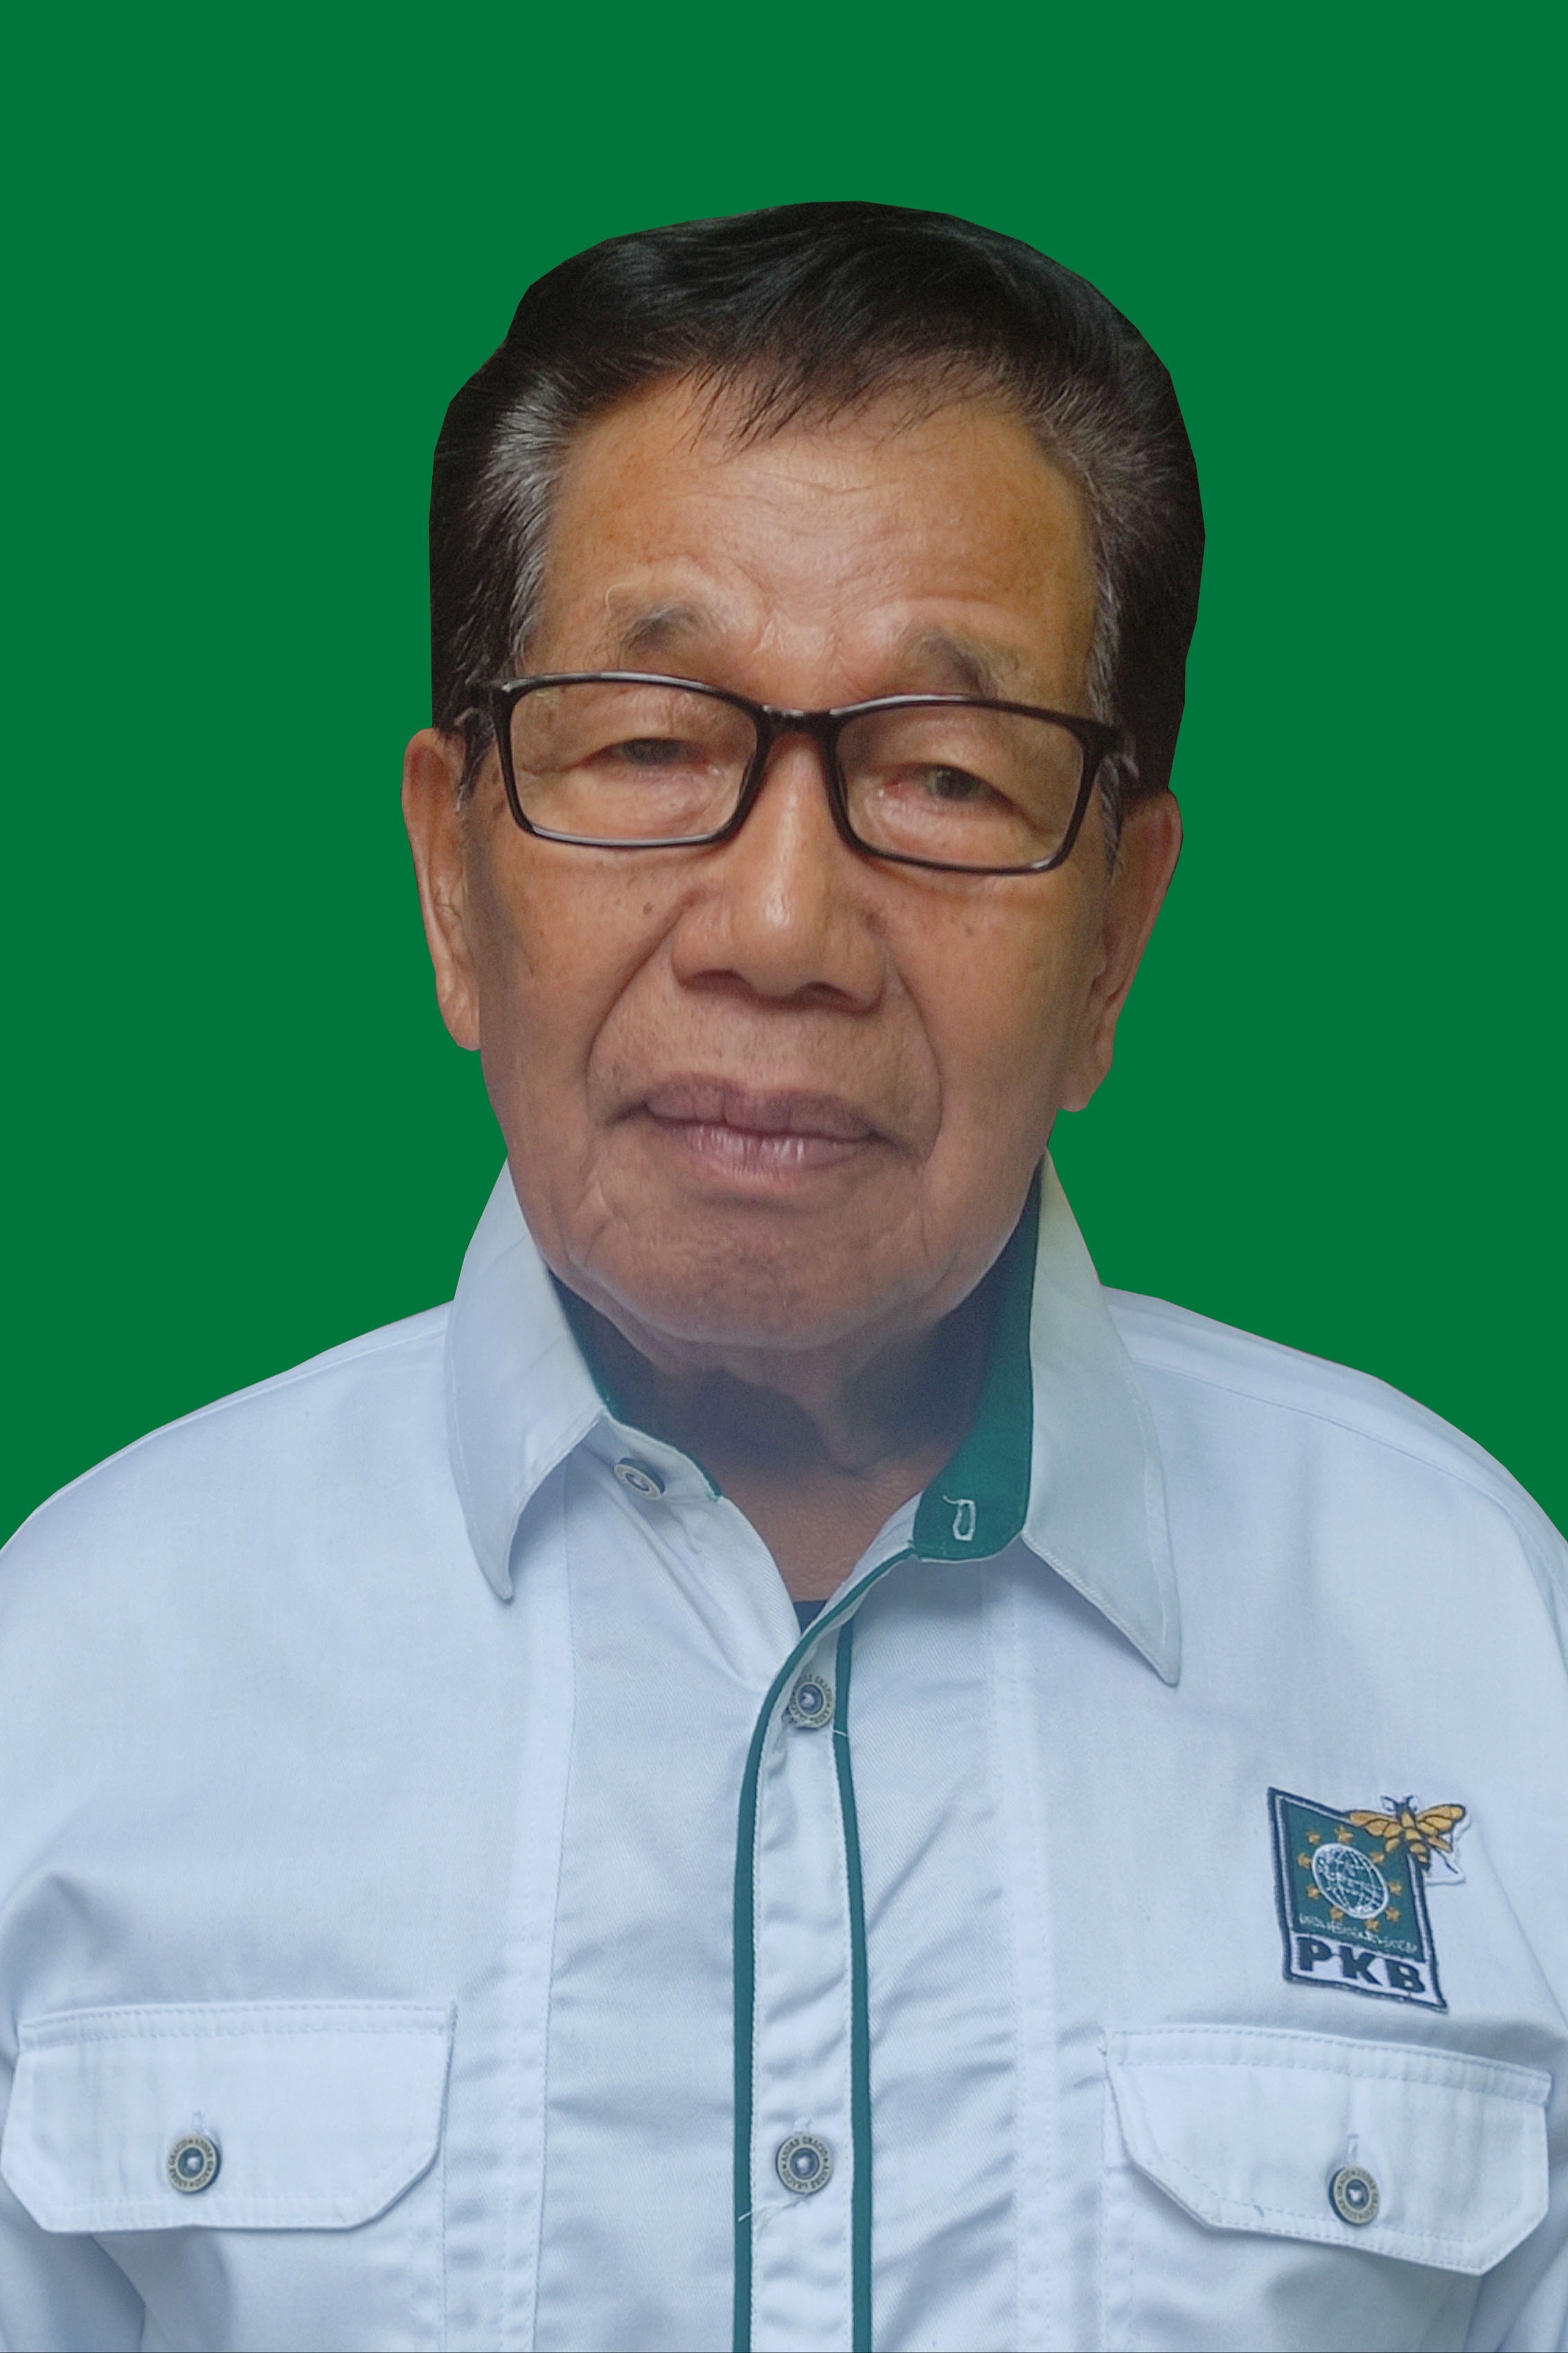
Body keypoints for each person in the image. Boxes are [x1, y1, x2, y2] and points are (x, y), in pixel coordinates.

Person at [0, 202, 1563, 2353]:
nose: (780, 931)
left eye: (946, 776)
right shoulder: (71, 1680)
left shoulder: (1486, 1659)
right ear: (451, 876)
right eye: (650, 747)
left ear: (1116, 935)